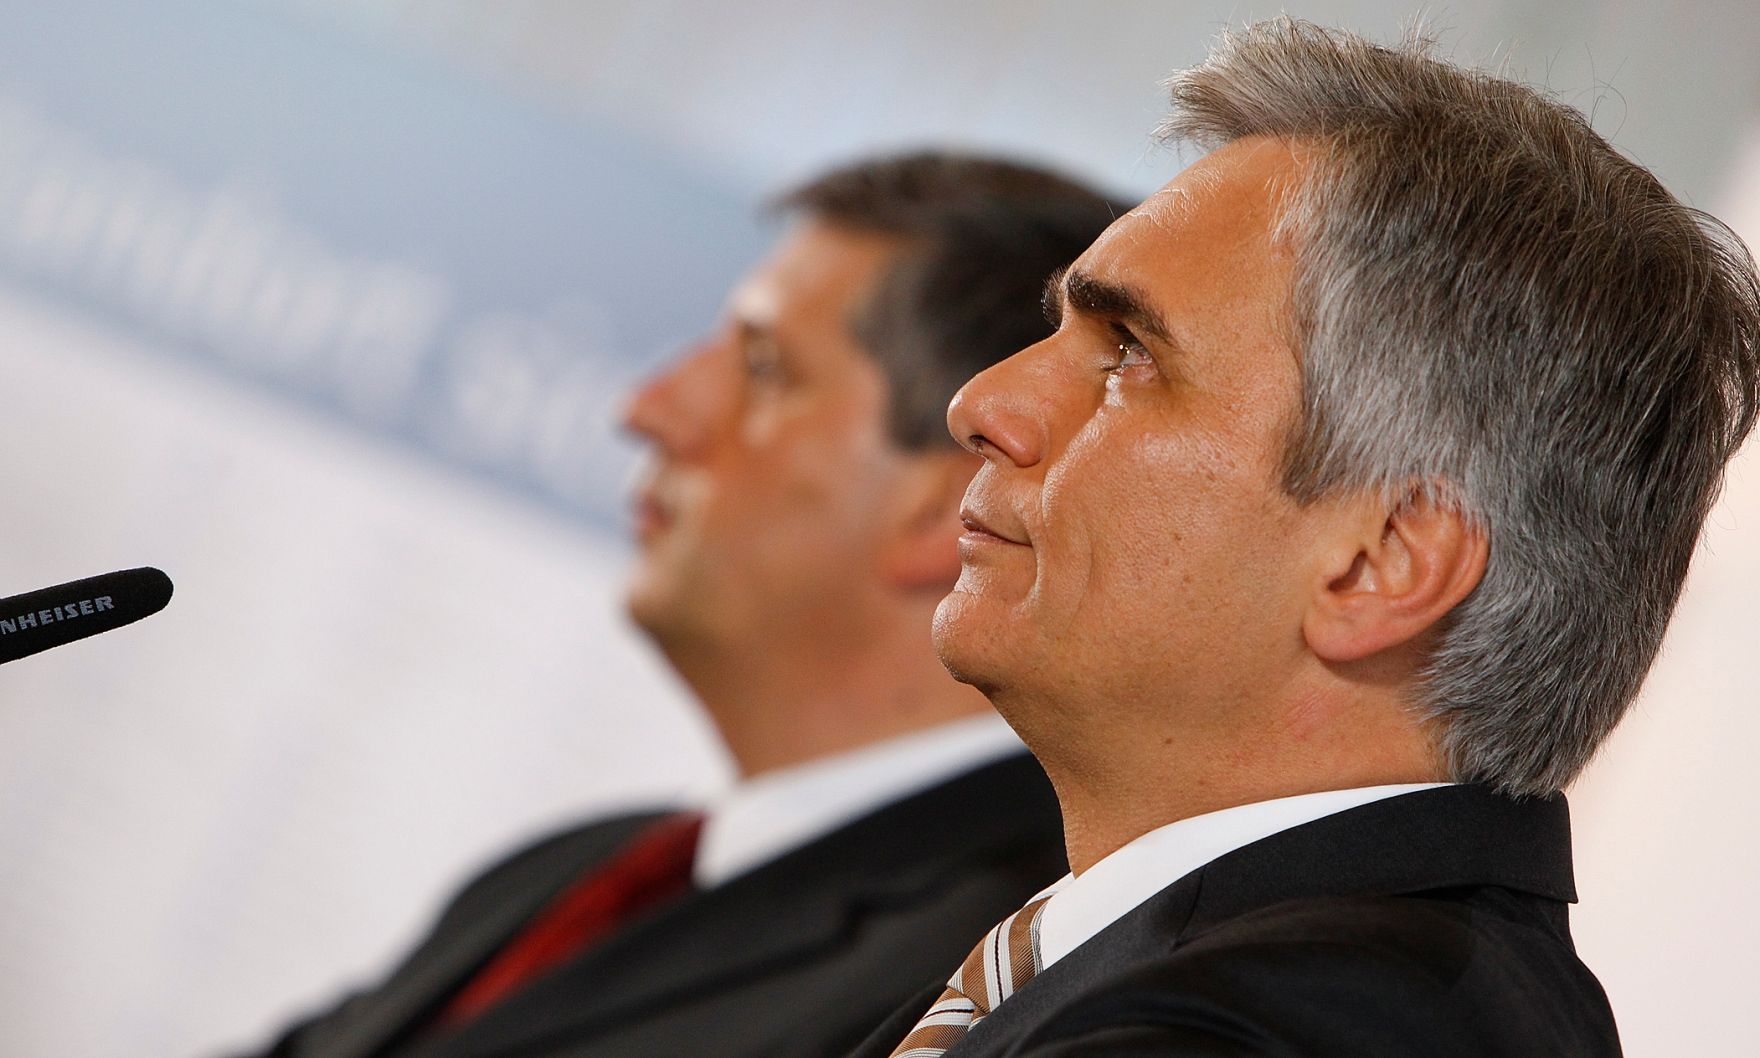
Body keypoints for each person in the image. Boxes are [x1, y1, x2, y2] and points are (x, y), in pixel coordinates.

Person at [857, 20, 1759, 1058]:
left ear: (1379, 563)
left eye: (1127, 353)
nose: (982, 402)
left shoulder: (1262, 1029)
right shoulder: (1266, 970)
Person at [234, 152, 1126, 1058]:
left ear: (949, 503)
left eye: (765, 368)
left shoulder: (995, 985)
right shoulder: (568, 876)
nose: (652, 408)